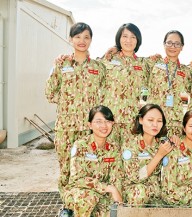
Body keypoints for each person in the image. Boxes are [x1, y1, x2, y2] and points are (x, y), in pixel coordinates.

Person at [45, 22, 106, 200]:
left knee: (88, 165)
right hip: (65, 127)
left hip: (89, 129)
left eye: (86, 37)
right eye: (78, 36)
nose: (82, 41)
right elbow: (50, 93)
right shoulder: (61, 64)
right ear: (70, 39)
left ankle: (86, 200)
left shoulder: (98, 67)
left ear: (91, 40)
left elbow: (105, 93)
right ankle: (66, 203)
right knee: (66, 167)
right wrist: (69, 103)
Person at [61, 105, 123, 217]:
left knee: (112, 209)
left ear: (112, 124)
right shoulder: (80, 146)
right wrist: (108, 188)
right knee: (86, 199)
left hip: (103, 195)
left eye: (108, 121)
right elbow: (77, 179)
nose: (104, 126)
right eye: (98, 121)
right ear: (90, 125)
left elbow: (116, 178)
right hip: (80, 192)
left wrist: (118, 200)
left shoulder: (114, 148)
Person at [100, 23, 150, 146]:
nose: (128, 40)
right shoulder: (108, 60)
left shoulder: (144, 64)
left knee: (130, 159)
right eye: (125, 36)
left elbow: (146, 90)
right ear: (119, 38)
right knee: (110, 159)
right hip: (110, 121)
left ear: (138, 40)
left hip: (133, 122)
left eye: (133, 37)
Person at [121, 104, 173, 205]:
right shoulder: (130, 144)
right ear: (141, 120)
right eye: (150, 120)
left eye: (159, 121)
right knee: (140, 193)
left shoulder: (162, 143)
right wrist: (158, 155)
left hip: (156, 192)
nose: (155, 124)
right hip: (136, 192)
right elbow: (135, 176)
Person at [147, 30, 192, 136]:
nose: (173, 46)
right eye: (169, 43)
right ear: (164, 44)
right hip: (155, 123)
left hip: (175, 124)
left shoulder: (187, 71)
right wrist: (115, 49)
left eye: (177, 44)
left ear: (182, 47)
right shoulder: (153, 64)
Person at [161, 110, 192, 206]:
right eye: (191, 126)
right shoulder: (174, 149)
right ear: (184, 128)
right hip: (177, 205)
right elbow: (169, 191)